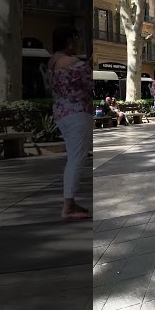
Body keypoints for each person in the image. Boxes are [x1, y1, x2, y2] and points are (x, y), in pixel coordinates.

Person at [48, 25, 92, 220]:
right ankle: (68, 206)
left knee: (73, 156)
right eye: (75, 38)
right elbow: (90, 84)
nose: (77, 43)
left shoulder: (52, 62)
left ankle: (71, 202)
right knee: (76, 158)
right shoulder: (75, 63)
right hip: (77, 113)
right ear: (68, 41)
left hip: (61, 113)